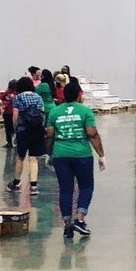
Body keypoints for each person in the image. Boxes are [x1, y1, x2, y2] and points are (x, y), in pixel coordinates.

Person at [46, 78, 104, 239]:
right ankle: (79, 219)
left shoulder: (55, 112)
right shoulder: (85, 112)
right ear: (79, 95)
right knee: (86, 187)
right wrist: (101, 155)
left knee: (66, 190)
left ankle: (67, 225)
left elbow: (49, 135)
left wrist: (49, 154)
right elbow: (92, 134)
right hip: (82, 155)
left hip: (60, 155)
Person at [8, 76, 47, 198]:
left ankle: (16, 182)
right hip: (37, 130)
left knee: (20, 157)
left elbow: (15, 116)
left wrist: (15, 129)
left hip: (23, 130)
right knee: (33, 158)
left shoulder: (18, 98)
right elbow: (43, 113)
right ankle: (34, 186)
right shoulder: (38, 97)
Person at [2, 76, 18, 147]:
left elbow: (2, 98)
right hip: (13, 113)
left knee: (8, 128)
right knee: (14, 128)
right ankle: (14, 141)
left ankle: (9, 142)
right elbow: (2, 98)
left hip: (9, 113)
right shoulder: (17, 94)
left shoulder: (10, 93)